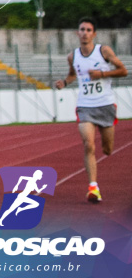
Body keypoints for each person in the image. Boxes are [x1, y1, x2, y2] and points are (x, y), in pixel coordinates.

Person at [54, 17, 127, 203]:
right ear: (77, 33)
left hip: (105, 105)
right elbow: (73, 74)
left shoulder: (103, 51)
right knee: (88, 144)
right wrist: (64, 82)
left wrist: (102, 74)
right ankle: (93, 187)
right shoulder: (73, 56)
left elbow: (123, 70)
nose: (85, 33)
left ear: (93, 34)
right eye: (82, 29)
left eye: (88, 30)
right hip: (85, 106)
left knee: (107, 149)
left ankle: (105, 150)